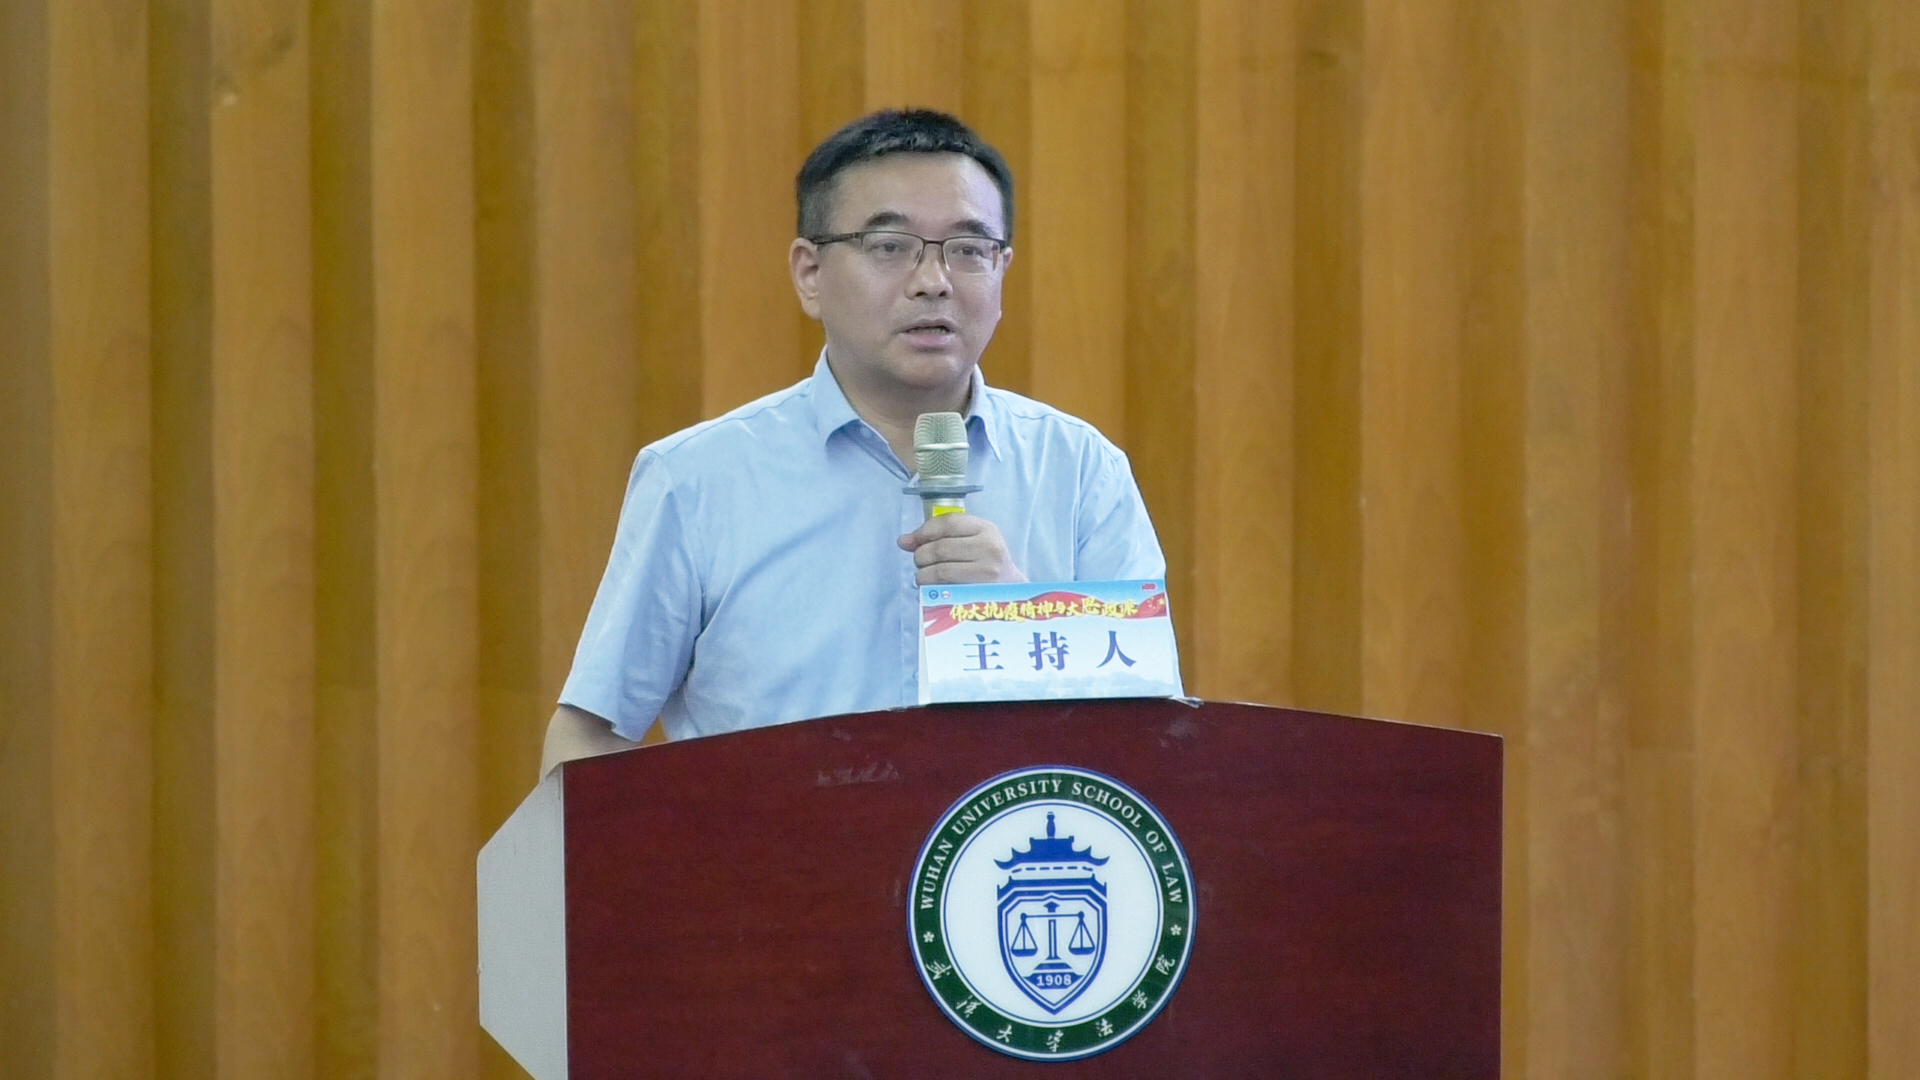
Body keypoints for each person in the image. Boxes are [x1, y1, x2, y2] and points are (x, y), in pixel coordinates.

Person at [541, 109, 1166, 774]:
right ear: (810, 274)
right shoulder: (697, 480)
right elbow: (586, 737)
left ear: (1002, 269)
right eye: (890, 247)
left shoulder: (1082, 472)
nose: (934, 280)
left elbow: (1153, 744)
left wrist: (1023, 613)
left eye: (968, 249)